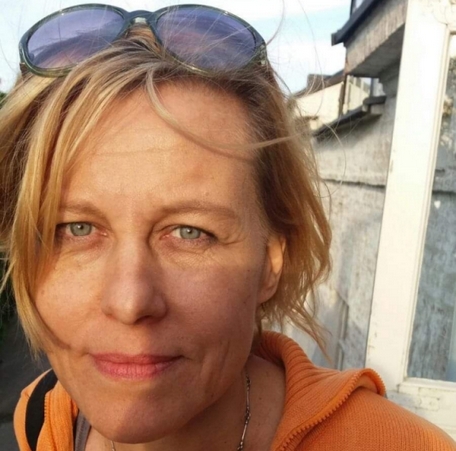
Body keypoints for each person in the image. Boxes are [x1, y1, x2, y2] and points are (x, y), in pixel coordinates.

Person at [0, 4, 455, 451]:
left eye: (189, 232)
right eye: (76, 229)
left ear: (271, 260)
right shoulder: (44, 416)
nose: (129, 301)